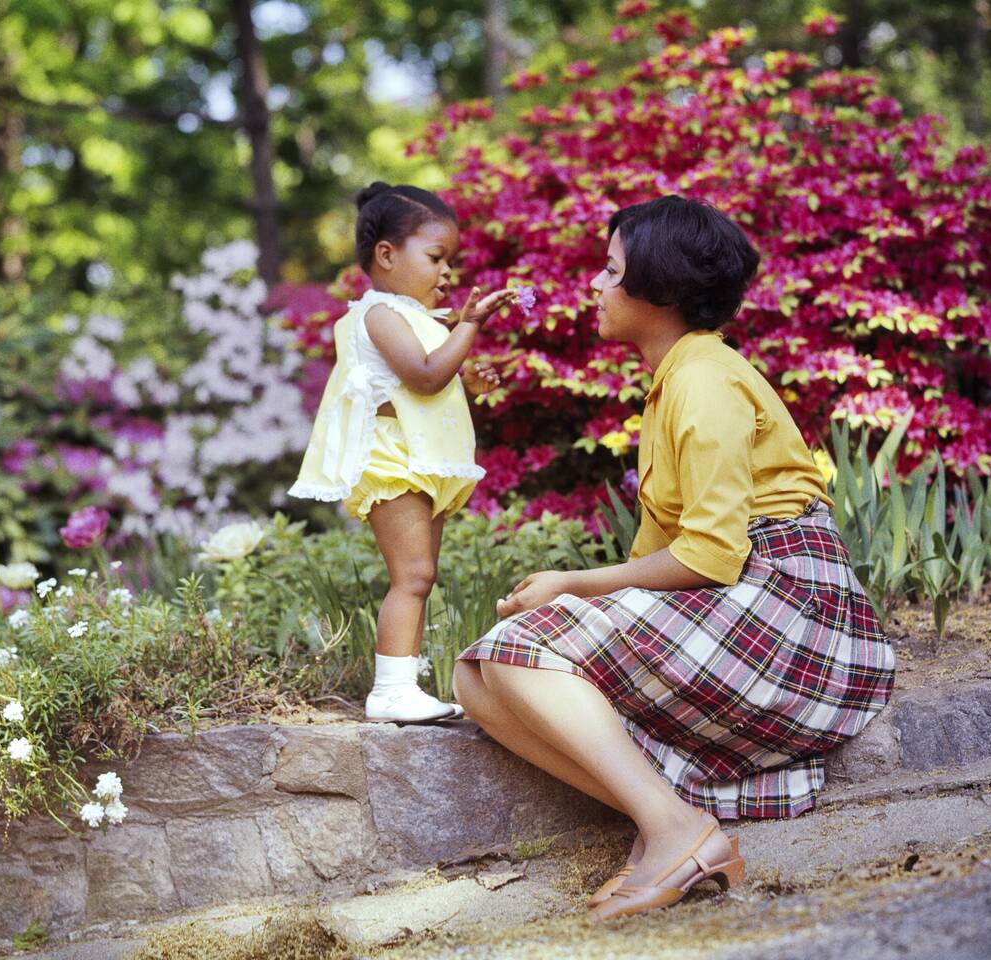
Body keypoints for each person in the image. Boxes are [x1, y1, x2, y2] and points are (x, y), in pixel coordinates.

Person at [454, 196, 895, 921]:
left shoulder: (703, 379)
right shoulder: (672, 385)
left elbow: (714, 557)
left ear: (658, 290)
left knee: (514, 652)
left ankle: (675, 832)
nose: (595, 286)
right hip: (748, 599)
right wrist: (574, 602)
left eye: (610, 270)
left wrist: (573, 582)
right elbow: (667, 563)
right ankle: (674, 818)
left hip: (797, 608)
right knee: (477, 677)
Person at [290, 182, 517, 723]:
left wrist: (472, 381)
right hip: (391, 462)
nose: (447, 273)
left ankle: (401, 687)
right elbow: (424, 376)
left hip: (416, 459)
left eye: (450, 262)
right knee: (410, 576)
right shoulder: (379, 315)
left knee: (421, 576)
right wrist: (471, 326)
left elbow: (433, 391)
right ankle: (390, 690)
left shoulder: (415, 319)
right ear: (387, 255)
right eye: (436, 258)